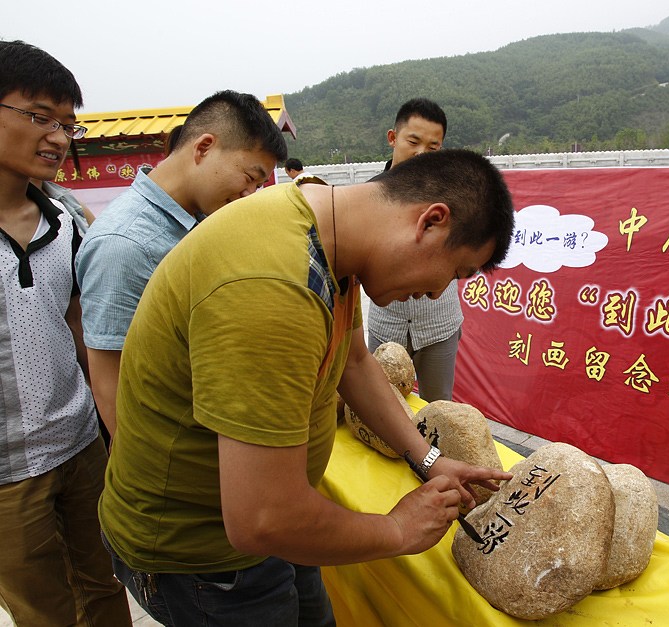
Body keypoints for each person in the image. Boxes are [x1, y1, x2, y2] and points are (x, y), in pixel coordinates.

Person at [99, 148, 515, 625]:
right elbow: (263, 519)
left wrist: (428, 458)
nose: (441, 293)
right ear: (431, 222)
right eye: (456, 272)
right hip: (205, 560)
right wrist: (397, 529)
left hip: (282, 532)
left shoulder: (329, 230)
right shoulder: (273, 284)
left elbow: (354, 361)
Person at [0, 39, 132, 626]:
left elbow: (83, 330)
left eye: (66, 125)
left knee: (106, 587)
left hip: (80, 448)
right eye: (38, 117)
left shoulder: (67, 219)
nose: (57, 137)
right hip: (6, 476)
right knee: (44, 611)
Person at [75, 90, 288, 437]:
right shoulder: (124, 244)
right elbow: (110, 381)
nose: (251, 194)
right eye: (250, 178)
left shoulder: (203, 217)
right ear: (203, 148)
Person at [367, 98, 462, 402]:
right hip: (386, 323)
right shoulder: (366, 196)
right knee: (381, 405)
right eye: (413, 141)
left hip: (438, 323)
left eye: (432, 148)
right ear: (392, 138)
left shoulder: (455, 199)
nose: (422, 153)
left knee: (439, 408)